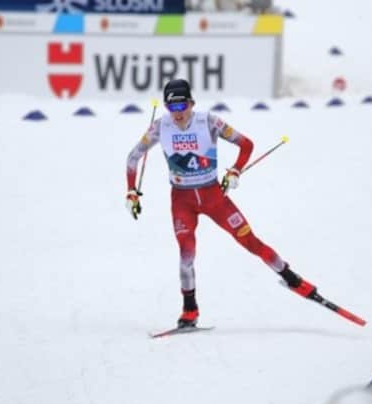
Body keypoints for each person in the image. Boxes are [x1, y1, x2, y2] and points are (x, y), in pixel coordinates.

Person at [125, 79, 317, 328]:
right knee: (186, 255)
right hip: (182, 200)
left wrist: (235, 171)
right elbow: (133, 157)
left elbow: (246, 144)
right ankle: (190, 311)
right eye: (172, 108)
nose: (179, 113)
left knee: (251, 241)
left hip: (214, 197)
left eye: (182, 105)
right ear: (165, 108)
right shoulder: (160, 127)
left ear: (191, 103)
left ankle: (292, 279)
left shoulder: (209, 121)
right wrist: (131, 191)